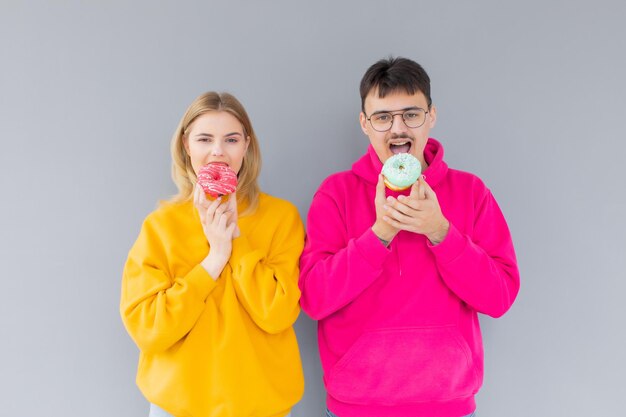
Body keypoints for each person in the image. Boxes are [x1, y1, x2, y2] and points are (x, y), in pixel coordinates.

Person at [299, 57, 520, 417]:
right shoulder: (336, 193)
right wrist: (380, 234)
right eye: (383, 117)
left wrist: (440, 231)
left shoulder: (471, 191)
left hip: (449, 405)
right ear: (364, 124)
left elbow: (499, 297)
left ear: (431, 116)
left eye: (411, 114)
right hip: (356, 406)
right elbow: (314, 298)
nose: (397, 128)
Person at [120, 92, 304, 417]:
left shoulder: (281, 217)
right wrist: (214, 261)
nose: (218, 150)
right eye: (205, 139)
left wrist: (235, 237)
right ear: (186, 146)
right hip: (177, 409)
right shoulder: (161, 225)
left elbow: (277, 313)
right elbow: (148, 328)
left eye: (231, 139)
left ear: (246, 146)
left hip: (263, 408)